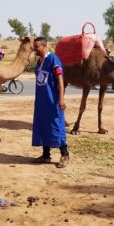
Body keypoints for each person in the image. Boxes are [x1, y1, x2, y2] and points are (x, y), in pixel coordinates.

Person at [32, 37, 69, 168]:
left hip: (53, 100)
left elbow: (60, 79)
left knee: (56, 125)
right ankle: (46, 155)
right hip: (42, 101)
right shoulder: (39, 61)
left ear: (43, 46)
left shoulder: (53, 59)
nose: (34, 49)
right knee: (43, 125)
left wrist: (61, 98)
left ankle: (65, 154)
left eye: (36, 47)